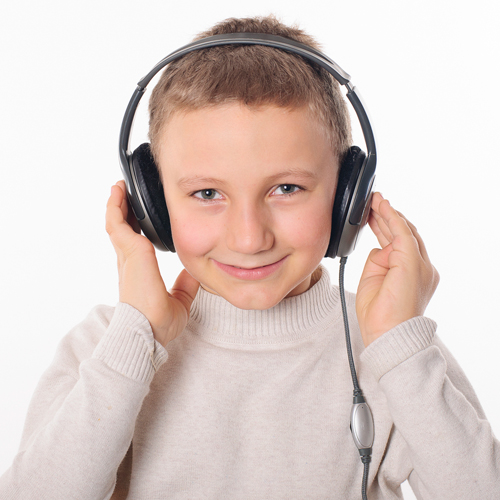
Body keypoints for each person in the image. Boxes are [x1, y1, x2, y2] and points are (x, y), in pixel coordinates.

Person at [0, 14, 498, 500]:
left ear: (349, 193)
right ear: (150, 205)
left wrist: (398, 346)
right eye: (207, 194)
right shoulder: (108, 349)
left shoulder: (390, 353)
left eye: (286, 188)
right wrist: (136, 337)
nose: (248, 237)